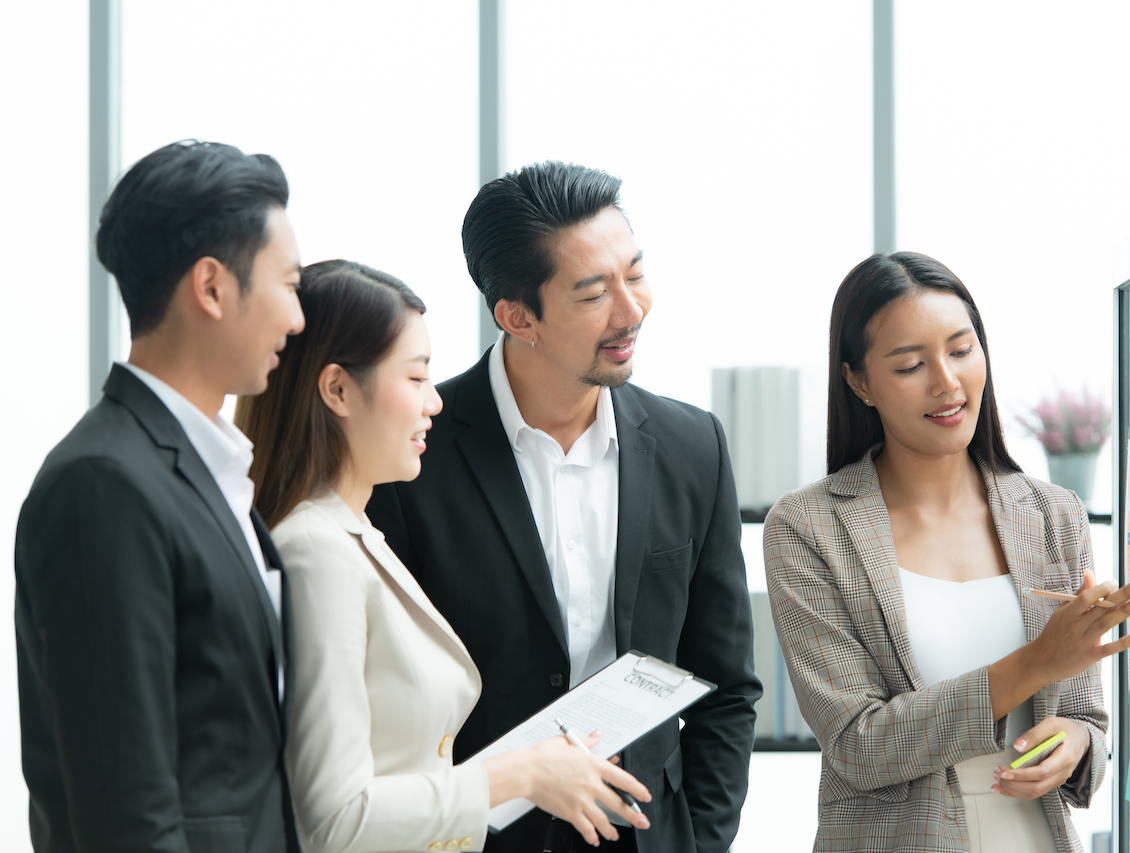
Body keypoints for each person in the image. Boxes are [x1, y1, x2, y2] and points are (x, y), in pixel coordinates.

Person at [365, 161, 761, 853]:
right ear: (518, 316)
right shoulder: (410, 453)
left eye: (634, 274)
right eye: (593, 293)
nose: (632, 310)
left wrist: (700, 843)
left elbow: (724, 686)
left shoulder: (692, 446)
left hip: (646, 834)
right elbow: (384, 699)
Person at [236, 259, 652, 853]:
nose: (435, 402)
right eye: (414, 378)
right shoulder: (315, 551)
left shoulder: (356, 535)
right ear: (337, 390)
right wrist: (523, 774)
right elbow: (333, 818)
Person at [764, 252, 1130, 853]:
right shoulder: (809, 528)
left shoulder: (1052, 515)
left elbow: (1086, 718)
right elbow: (858, 746)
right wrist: (1037, 662)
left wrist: (1074, 740)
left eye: (962, 350)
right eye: (912, 364)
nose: (946, 381)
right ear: (859, 381)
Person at [15, 140, 305, 853]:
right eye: (289, 283)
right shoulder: (104, 483)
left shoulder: (210, 472)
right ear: (211, 287)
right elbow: (126, 804)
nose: (297, 319)